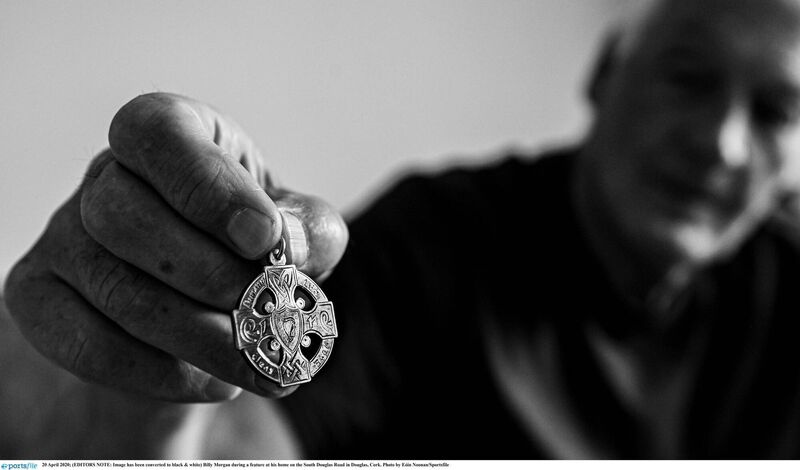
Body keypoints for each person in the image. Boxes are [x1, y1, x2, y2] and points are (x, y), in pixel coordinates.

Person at [4, 0, 800, 459]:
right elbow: (241, 441)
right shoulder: (435, 243)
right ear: (603, 76)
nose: (721, 145)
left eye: (775, 112)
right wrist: (125, 412)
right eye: (687, 78)